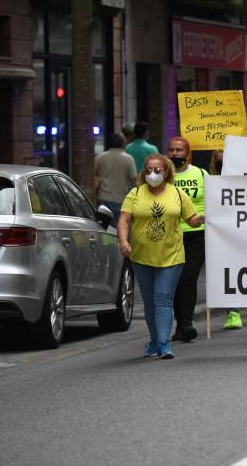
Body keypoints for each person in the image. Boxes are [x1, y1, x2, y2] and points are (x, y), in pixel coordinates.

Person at [118, 154, 205, 359]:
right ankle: (155, 339)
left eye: (157, 170)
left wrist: (200, 219)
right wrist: (123, 242)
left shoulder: (178, 194)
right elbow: (123, 220)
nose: (153, 174)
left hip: (172, 255)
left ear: (166, 172)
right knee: (149, 302)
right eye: (148, 170)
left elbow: (191, 219)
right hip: (141, 256)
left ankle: (164, 343)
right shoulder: (135, 193)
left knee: (163, 299)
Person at [167, 137, 224, 340]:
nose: (175, 154)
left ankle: (186, 323)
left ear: (188, 153)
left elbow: (214, 200)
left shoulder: (200, 174)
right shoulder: (165, 176)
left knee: (188, 278)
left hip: (197, 234)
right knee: (174, 281)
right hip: (171, 235)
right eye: (172, 150)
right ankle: (180, 326)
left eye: (179, 150)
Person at [94, 133, 137, 227]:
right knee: (119, 227)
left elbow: (93, 175)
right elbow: (134, 180)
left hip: (103, 198)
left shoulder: (100, 157)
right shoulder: (128, 159)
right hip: (120, 199)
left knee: (105, 227)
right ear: (123, 144)